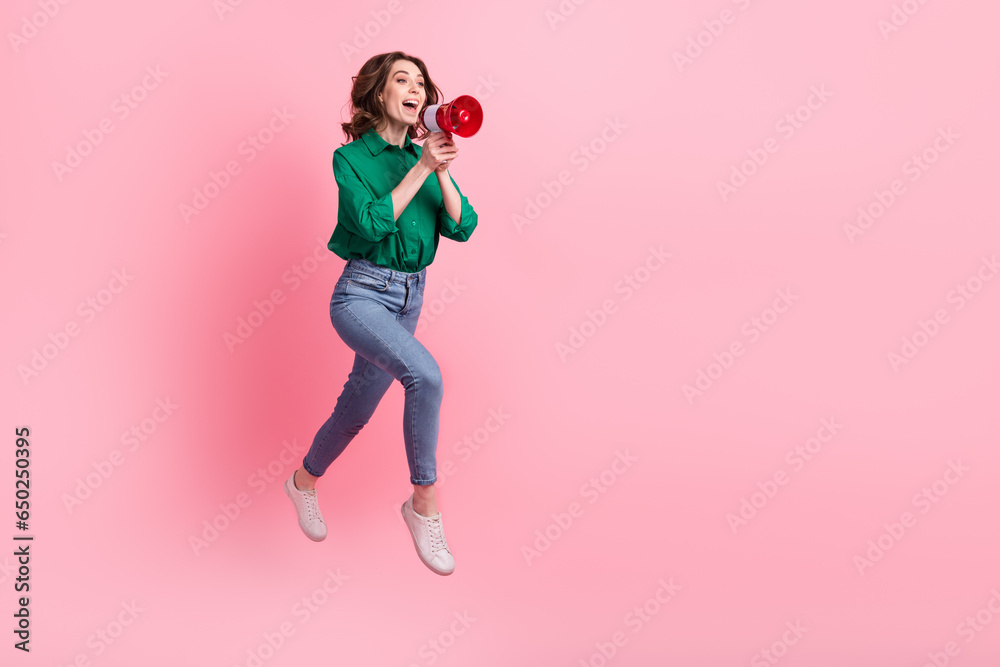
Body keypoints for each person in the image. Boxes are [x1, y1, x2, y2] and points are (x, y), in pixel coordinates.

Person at [283, 51, 478, 576]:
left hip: (411, 296)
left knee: (356, 411)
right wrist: (420, 167)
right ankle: (424, 506)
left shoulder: (424, 155)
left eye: (421, 81)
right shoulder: (351, 159)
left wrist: (439, 167)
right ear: (379, 94)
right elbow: (370, 224)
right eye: (402, 78)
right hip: (362, 296)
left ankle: (302, 482)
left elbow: (462, 226)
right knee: (427, 376)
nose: (415, 87)